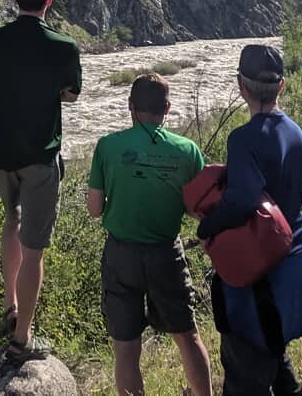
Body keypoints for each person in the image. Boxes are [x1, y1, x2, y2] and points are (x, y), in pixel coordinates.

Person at [196, 44, 302, 396]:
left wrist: (207, 227)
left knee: (245, 364)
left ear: (240, 87)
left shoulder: (244, 138)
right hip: (290, 255)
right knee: (273, 345)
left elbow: (244, 200)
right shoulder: (295, 133)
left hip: (254, 263)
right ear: (281, 86)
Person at [87, 73, 213, 396]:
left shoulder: (107, 146)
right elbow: (200, 209)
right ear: (167, 108)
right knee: (187, 335)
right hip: (165, 254)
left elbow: (95, 209)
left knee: (126, 349)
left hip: (121, 256)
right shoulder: (188, 150)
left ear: (130, 106)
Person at [0, 0, 82, 361]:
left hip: (1, 151)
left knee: (11, 220)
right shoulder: (64, 45)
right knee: (34, 248)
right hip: (41, 153)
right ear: (49, 1)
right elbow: (71, 96)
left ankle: (11, 305)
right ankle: (23, 338)